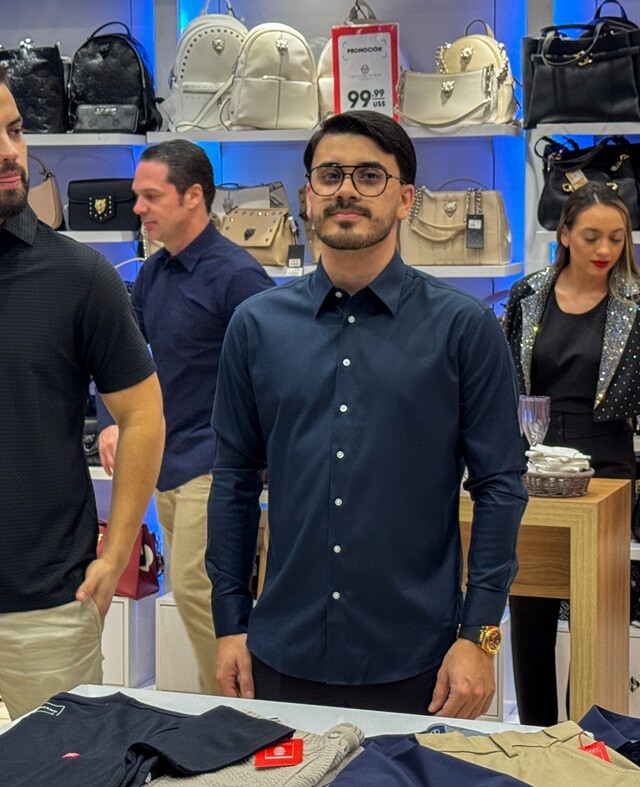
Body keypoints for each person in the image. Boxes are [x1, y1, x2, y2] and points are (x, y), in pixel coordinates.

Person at [207, 110, 527, 718]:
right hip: (280, 650)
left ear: (405, 199)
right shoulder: (256, 326)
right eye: (329, 175)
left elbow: (500, 486)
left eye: (370, 176)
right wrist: (229, 621)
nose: (346, 190)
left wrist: (479, 634)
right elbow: (234, 481)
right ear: (308, 195)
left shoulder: (464, 328)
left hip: (422, 660)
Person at [0, 67, 165, 720]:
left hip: (47, 612)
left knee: (56, 767)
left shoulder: (79, 276)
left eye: (15, 130)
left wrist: (117, 551)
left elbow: (143, 415)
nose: (10, 152)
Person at [98, 140, 275, 695]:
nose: (138, 208)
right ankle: (228, 709)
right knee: (194, 594)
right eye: (137, 197)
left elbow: (275, 375)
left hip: (217, 465)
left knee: (203, 593)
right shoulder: (154, 272)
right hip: (167, 463)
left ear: (193, 196)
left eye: (151, 196)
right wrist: (114, 421)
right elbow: (125, 361)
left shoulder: (239, 277)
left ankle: (238, 711)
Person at [502, 181, 640, 726]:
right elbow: (508, 380)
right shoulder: (528, 294)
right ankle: (537, 736)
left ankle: (592, 736)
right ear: (563, 234)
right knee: (529, 603)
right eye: (591, 236)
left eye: (616, 237)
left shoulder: (635, 303)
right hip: (534, 461)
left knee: (596, 613)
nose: (605, 249)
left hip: (606, 465)